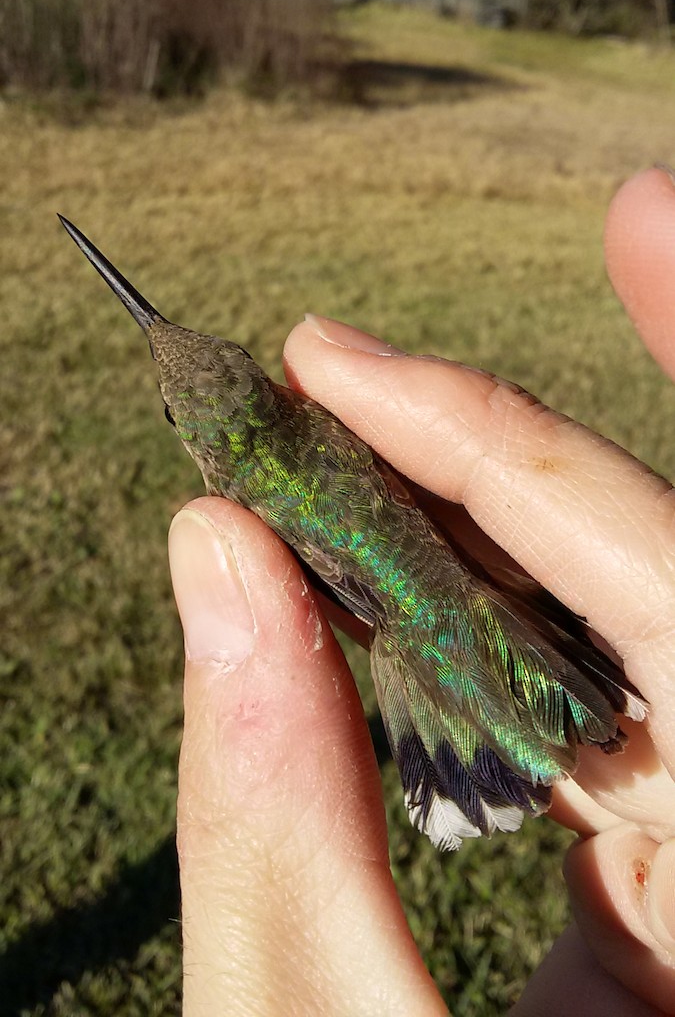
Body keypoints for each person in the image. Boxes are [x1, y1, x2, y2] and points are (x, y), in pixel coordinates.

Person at [167, 167, 675, 1016]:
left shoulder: (233, 493)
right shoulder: (305, 417)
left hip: (412, 615)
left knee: (432, 630)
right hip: (436, 590)